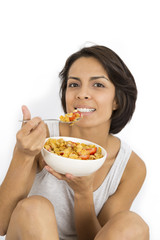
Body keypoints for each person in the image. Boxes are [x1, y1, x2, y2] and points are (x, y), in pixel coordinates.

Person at [0, 45, 149, 240]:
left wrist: (83, 194)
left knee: (132, 225)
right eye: (73, 84)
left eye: (98, 85)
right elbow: (1, 225)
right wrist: (24, 155)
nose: (82, 94)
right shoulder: (41, 139)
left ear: (117, 101)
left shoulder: (131, 167)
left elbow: (103, 237)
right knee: (35, 208)